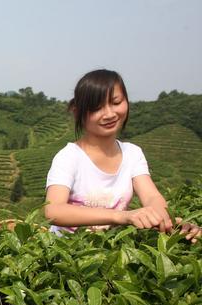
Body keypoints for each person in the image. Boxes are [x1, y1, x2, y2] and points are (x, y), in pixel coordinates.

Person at [45, 69, 201, 243]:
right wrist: (122, 216)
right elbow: (53, 211)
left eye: (116, 102)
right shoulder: (69, 157)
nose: (110, 114)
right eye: (97, 108)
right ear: (77, 112)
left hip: (111, 250)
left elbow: (151, 197)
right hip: (66, 251)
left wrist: (168, 220)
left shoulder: (132, 154)